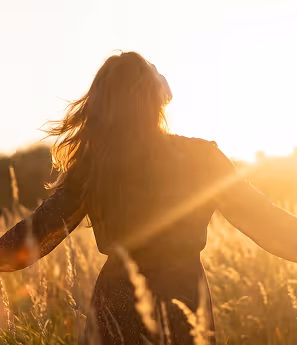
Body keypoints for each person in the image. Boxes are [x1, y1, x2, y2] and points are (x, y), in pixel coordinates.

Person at [0, 51, 297, 345]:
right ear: (155, 97)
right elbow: (266, 221)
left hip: (116, 307)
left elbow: (32, 236)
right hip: (183, 304)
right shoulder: (202, 157)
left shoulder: (96, 167)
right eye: (154, 73)